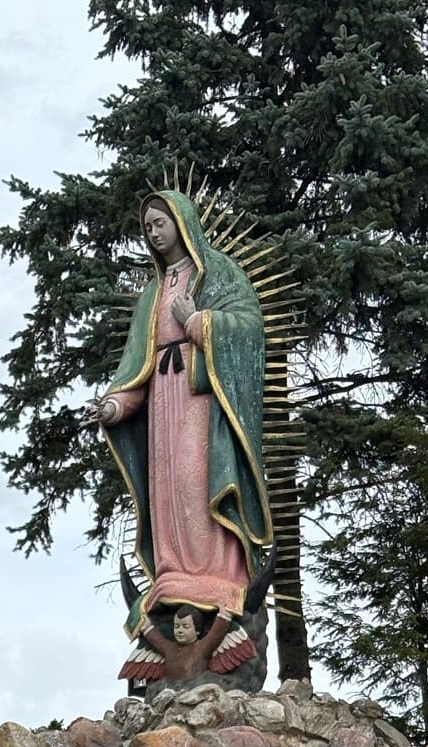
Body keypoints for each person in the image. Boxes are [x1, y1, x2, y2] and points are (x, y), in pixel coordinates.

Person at [92, 189, 272, 682]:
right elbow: (136, 368)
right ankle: (172, 573)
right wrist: (114, 405)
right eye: (147, 226)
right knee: (169, 488)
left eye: (161, 222)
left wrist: (196, 322)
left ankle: (218, 574)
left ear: (181, 221)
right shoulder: (152, 295)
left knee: (197, 479)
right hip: (162, 403)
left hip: (202, 402)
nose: (154, 233)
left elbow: (249, 330)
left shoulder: (219, 272)